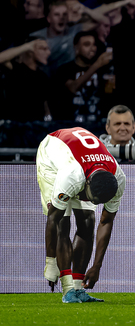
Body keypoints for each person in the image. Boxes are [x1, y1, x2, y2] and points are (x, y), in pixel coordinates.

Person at [37, 127, 126, 303]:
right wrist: (50, 260)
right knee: (63, 221)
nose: (88, 202)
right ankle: (68, 290)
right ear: (86, 183)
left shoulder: (119, 179)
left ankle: (78, 289)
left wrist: (97, 266)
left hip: (82, 161)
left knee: (88, 221)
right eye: (87, 197)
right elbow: (53, 220)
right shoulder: (71, 175)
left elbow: (106, 221)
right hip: (52, 157)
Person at [51, 31, 113, 121]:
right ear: (76, 47)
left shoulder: (102, 70)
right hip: (72, 124)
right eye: (87, 44)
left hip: (96, 123)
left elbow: (108, 94)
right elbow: (73, 87)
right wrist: (97, 64)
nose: (92, 48)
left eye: (94, 44)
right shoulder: (65, 69)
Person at [0, 38, 52, 121]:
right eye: (44, 49)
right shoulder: (16, 69)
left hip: (37, 127)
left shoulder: (43, 76)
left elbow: (45, 104)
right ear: (31, 51)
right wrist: (28, 46)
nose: (48, 53)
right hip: (16, 127)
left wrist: (48, 120)